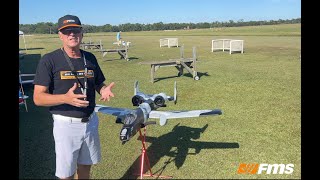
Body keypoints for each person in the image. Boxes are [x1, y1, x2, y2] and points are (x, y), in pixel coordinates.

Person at [33, 14, 115, 179]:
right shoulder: (49, 60)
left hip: (90, 122)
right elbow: (38, 98)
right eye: (67, 31)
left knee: (85, 167)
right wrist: (65, 98)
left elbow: (98, 82)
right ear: (60, 35)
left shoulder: (89, 58)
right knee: (67, 174)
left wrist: (103, 89)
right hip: (66, 125)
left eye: (75, 30)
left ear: (81, 33)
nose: (72, 34)